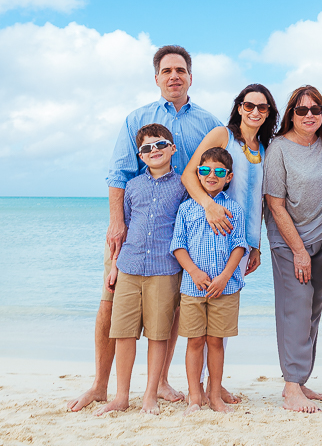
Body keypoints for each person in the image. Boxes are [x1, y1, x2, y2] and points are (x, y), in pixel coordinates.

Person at [68, 45, 223, 412]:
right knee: (110, 305)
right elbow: (118, 173)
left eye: (181, 70)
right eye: (167, 70)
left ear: (190, 76)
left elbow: (220, 172)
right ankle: (101, 385)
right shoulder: (136, 118)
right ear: (156, 77)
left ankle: (163, 383)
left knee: (167, 310)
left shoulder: (209, 122)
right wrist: (116, 223)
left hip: (185, 231)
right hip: (134, 228)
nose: (174, 76)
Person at [181, 83, 277, 402]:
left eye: (262, 108)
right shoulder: (222, 135)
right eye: (248, 105)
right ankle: (207, 387)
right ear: (239, 107)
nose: (254, 112)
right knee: (203, 322)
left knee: (224, 310)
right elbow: (189, 174)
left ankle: (214, 385)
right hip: (208, 233)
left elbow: (257, 200)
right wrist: (209, 206)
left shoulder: (265, 147)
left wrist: (256, 245)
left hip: (240, 240)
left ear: (269, 113)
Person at [94, 124, 186, 416]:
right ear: (140, 156)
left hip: (164, 269)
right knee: (123, 333)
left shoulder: (184, 185)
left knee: (159, 334)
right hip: (129, 267)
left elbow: (183, 229)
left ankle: (150, 395)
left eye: (160, 145)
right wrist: (115, 268)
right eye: (146, 148)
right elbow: (126, 227)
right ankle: (121, 396)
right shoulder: (132, 186)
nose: (154, 151)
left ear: (172, 148)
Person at [264, 85, 322, 414]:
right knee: (296, 309)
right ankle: (291, 387)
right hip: (289, 241)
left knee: (313, 311)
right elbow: (275, 204)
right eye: (302, 110)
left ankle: (300, 378)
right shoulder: (278, 148)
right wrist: (299, 250)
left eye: (315, 109)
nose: (309, 115)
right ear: (291, 113)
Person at [170, 147, 247, 413]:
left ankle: (214, 396)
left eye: (218, 171)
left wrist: (226, 276)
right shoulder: (187, 209)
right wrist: (193, 271)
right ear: (198, 175)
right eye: (204, 170)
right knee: (194, 341)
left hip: (225, 289)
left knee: (216, 342)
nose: (210, 175)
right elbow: (178, 245)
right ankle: (194, 397)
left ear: (229, 177)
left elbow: (239, 245)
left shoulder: (233, 208)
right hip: (193, 287)